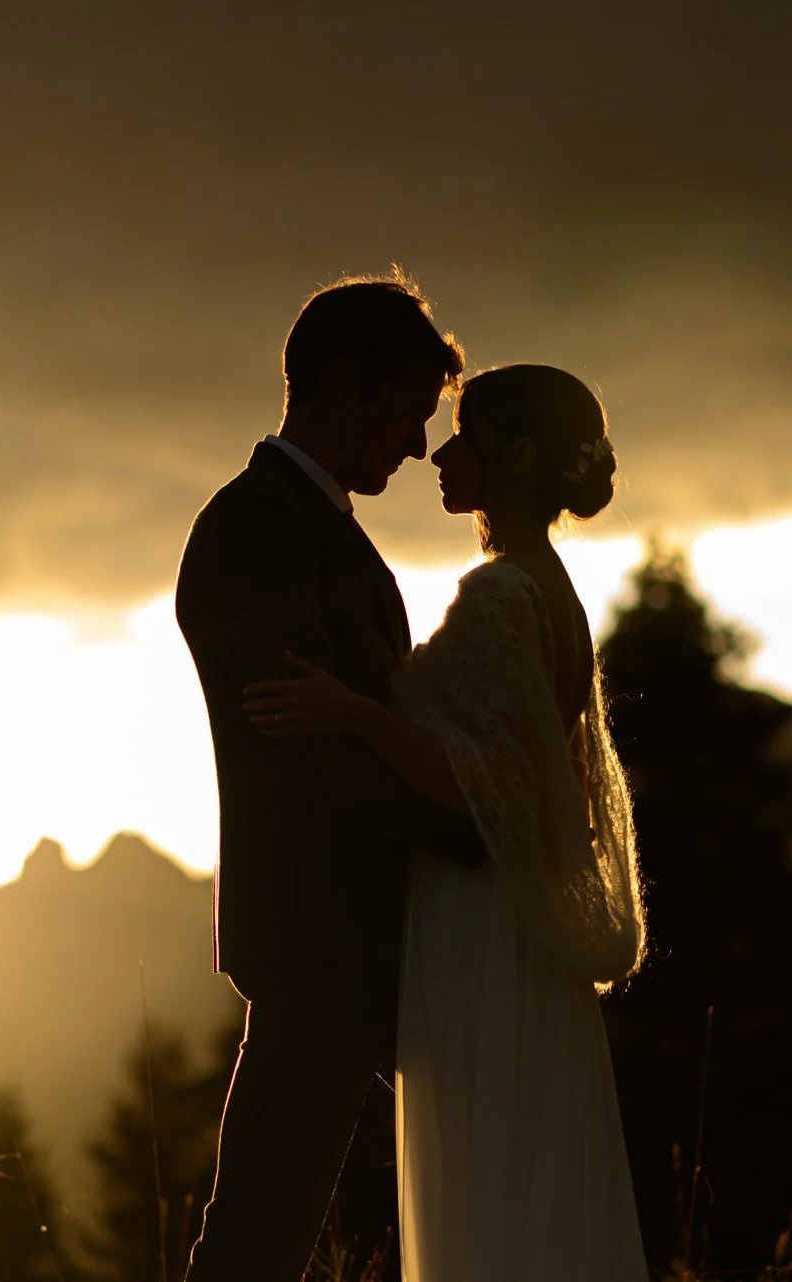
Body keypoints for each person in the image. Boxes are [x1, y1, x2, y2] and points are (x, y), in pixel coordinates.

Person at [243, 363, 650, 1281]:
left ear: (517, 456)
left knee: (488, 1163)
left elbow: (489, 784)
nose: (441, 453)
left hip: (482, 927)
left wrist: (354, 715)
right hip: (511, 926)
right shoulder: (549, 590)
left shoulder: (505, 596)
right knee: (517, 1163)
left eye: (465, 434)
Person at [174, 271, 487, 1282]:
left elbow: (366, 729)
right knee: (257, 1240)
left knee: (290, 1234)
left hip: (366, 946)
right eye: (408, 413)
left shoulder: (338, 546)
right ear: (341, 386)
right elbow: (309, 760)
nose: (417, 445)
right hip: (317, 940)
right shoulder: (248, 534)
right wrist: (482, 822)